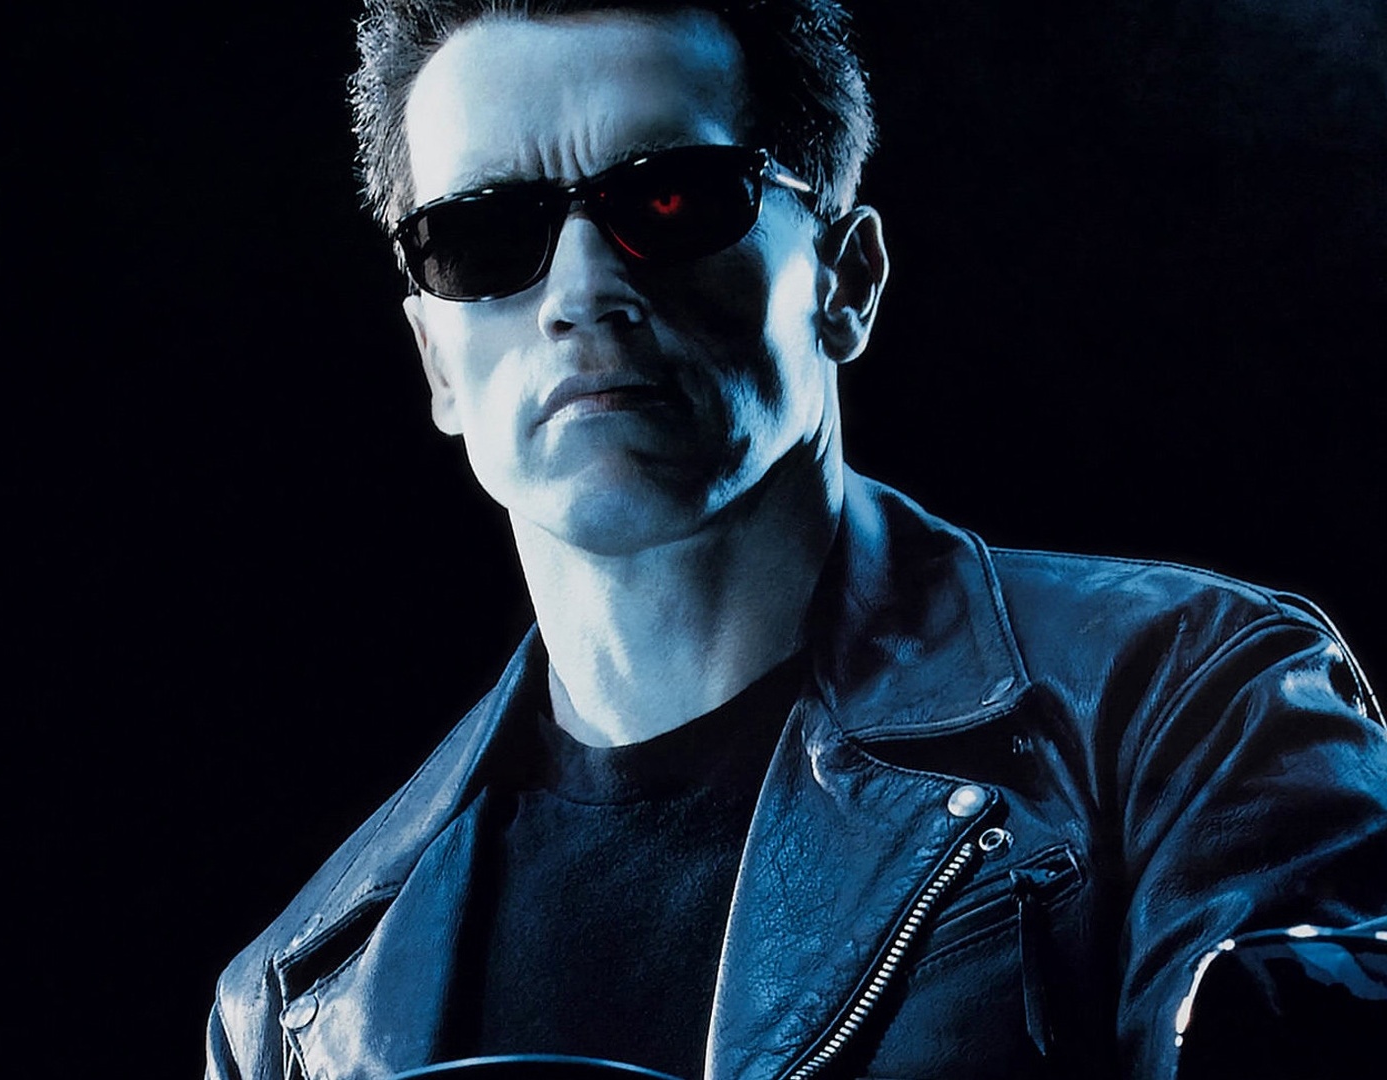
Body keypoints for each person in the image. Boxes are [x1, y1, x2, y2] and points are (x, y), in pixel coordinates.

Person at [205, 2, 1387, 1077]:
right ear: (435, 361)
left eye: (669, 199)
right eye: (482, 235)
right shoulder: (297, 1005)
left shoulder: (1185, 706)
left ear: (846, 278)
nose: (581, 291)